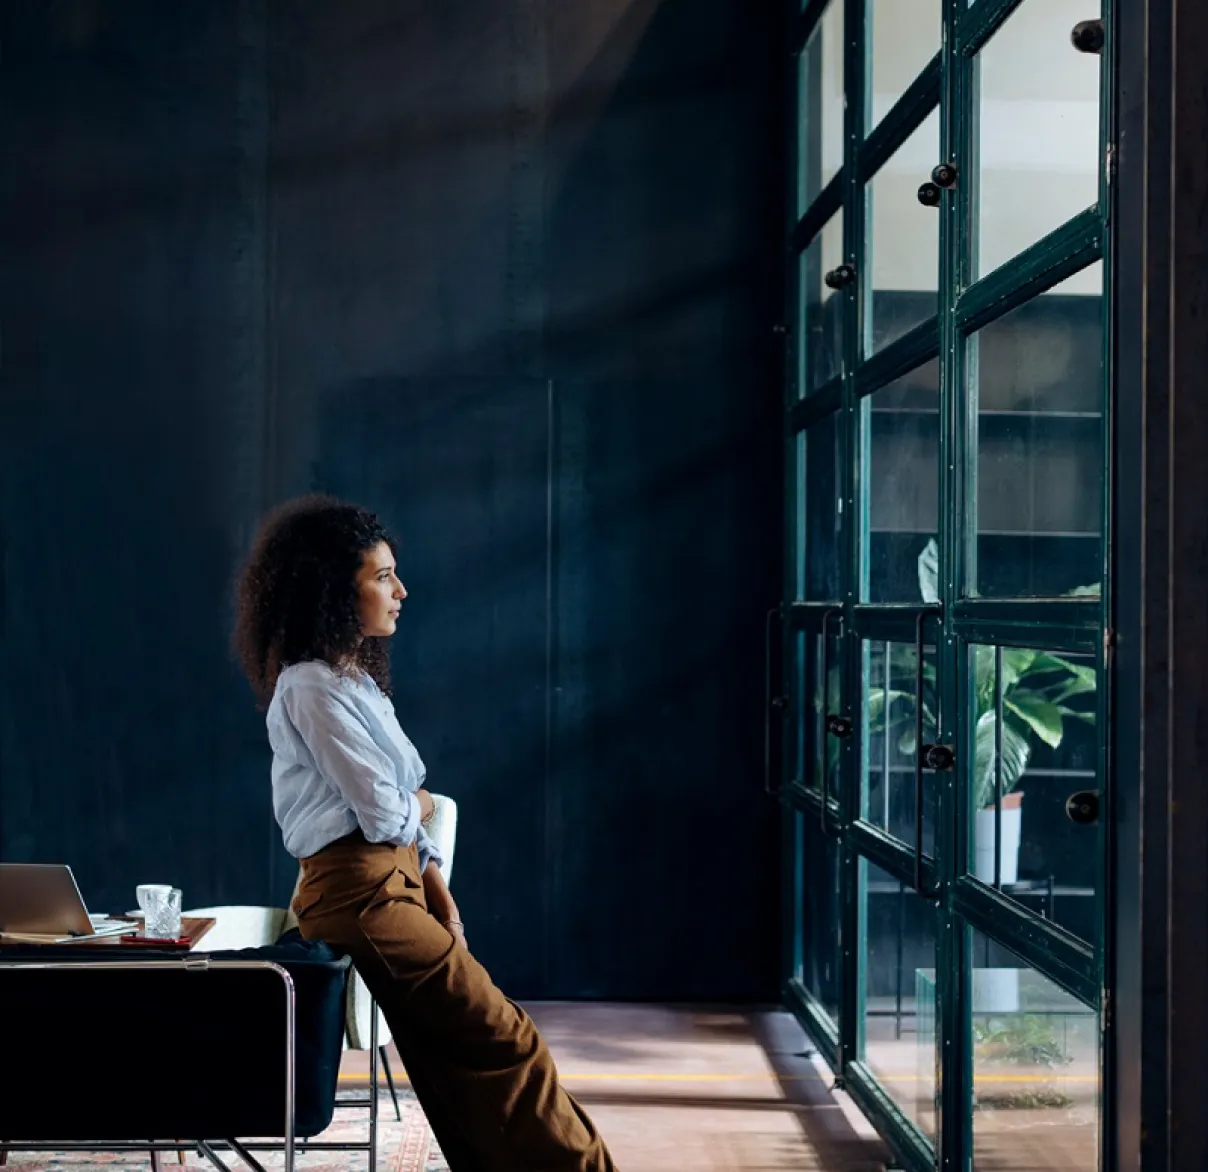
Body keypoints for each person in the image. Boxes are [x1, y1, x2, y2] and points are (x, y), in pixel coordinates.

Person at [233, 494, 617, 1172]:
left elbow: (408, 805)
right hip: (356, 893)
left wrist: (436, 881)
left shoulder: (354, 682)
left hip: (391, 882)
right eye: (382, 576)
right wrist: (415, 809)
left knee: (458, 1062)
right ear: (333, 587)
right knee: (505, 1036)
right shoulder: (310, 687)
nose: (401, 590)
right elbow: (386, 810)